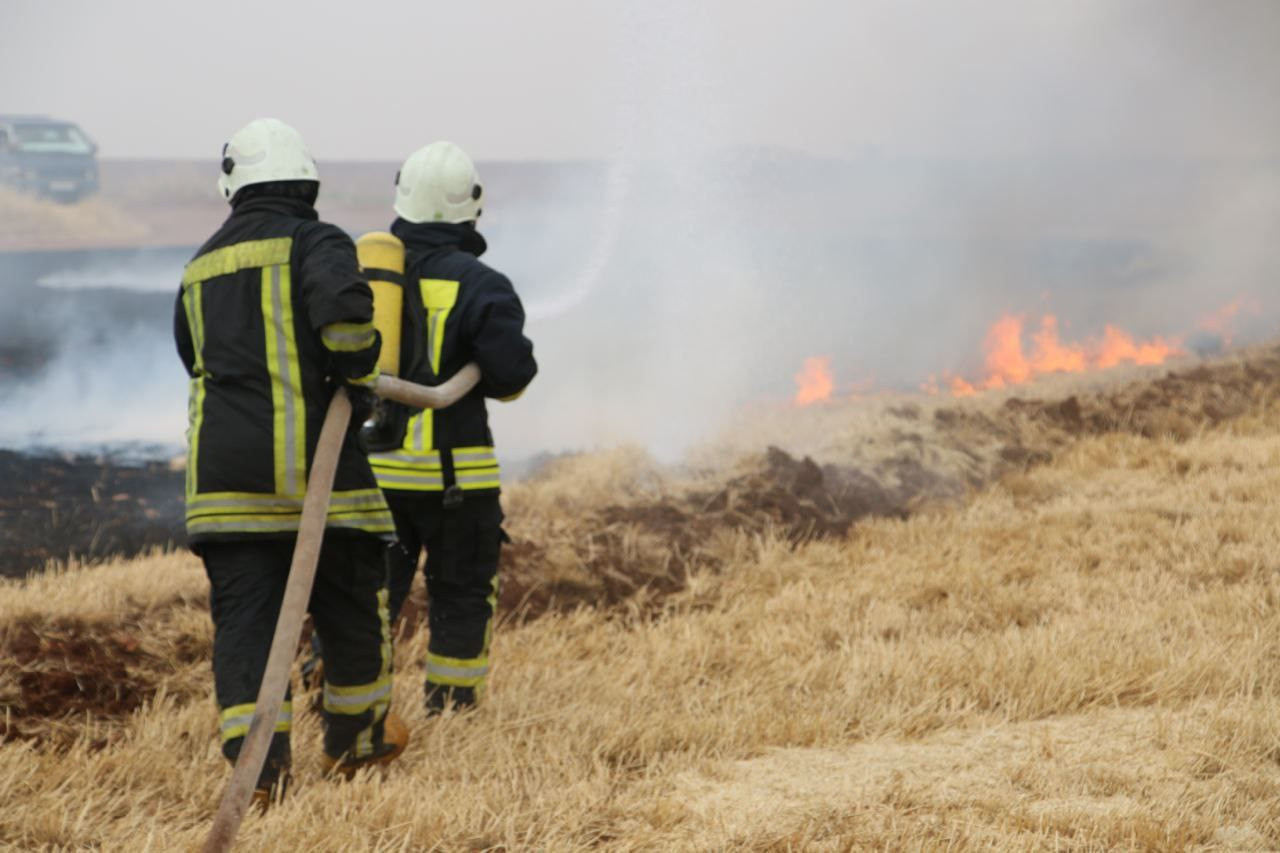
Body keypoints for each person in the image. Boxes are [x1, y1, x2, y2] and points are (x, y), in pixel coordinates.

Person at [174, 117, 408, 805]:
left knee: (246, 629)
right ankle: (356, 741)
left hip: (224, 488)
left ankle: (261, 770)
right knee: (350, 609)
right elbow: (343, 323)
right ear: (305, 180)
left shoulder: (200, 264)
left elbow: (194, 358)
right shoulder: (317, 239)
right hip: (318, 480)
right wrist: (359, 367)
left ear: (234, 186)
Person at [365, 140, 536, 714]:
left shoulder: (362, 278)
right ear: (472, 204)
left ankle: (349, 708)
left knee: (365, 600)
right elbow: (512, 381)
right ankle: (452, 710)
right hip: (455, 483)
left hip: (371, 480)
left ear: (402, 197)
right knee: (461, 597)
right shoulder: (482, 284)